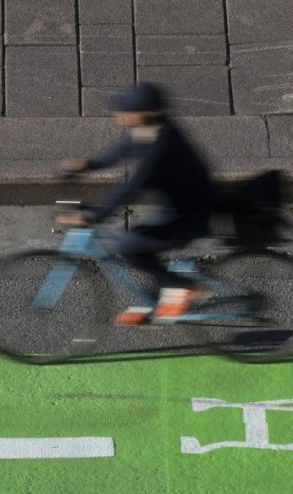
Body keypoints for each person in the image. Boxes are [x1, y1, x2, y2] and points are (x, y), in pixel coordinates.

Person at [58, 83, 216, 326]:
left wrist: (93, 216)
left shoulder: (161, 146)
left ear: (142, 113)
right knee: (140, 242)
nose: (119, 116)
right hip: (179, 209)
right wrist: (87, 165)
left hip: (191, 217)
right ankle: (156, 303)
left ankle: (185, 286)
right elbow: (121, 151)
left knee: (130, 246)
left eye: (126, 111)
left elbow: (130, 188)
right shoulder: (153, 128)